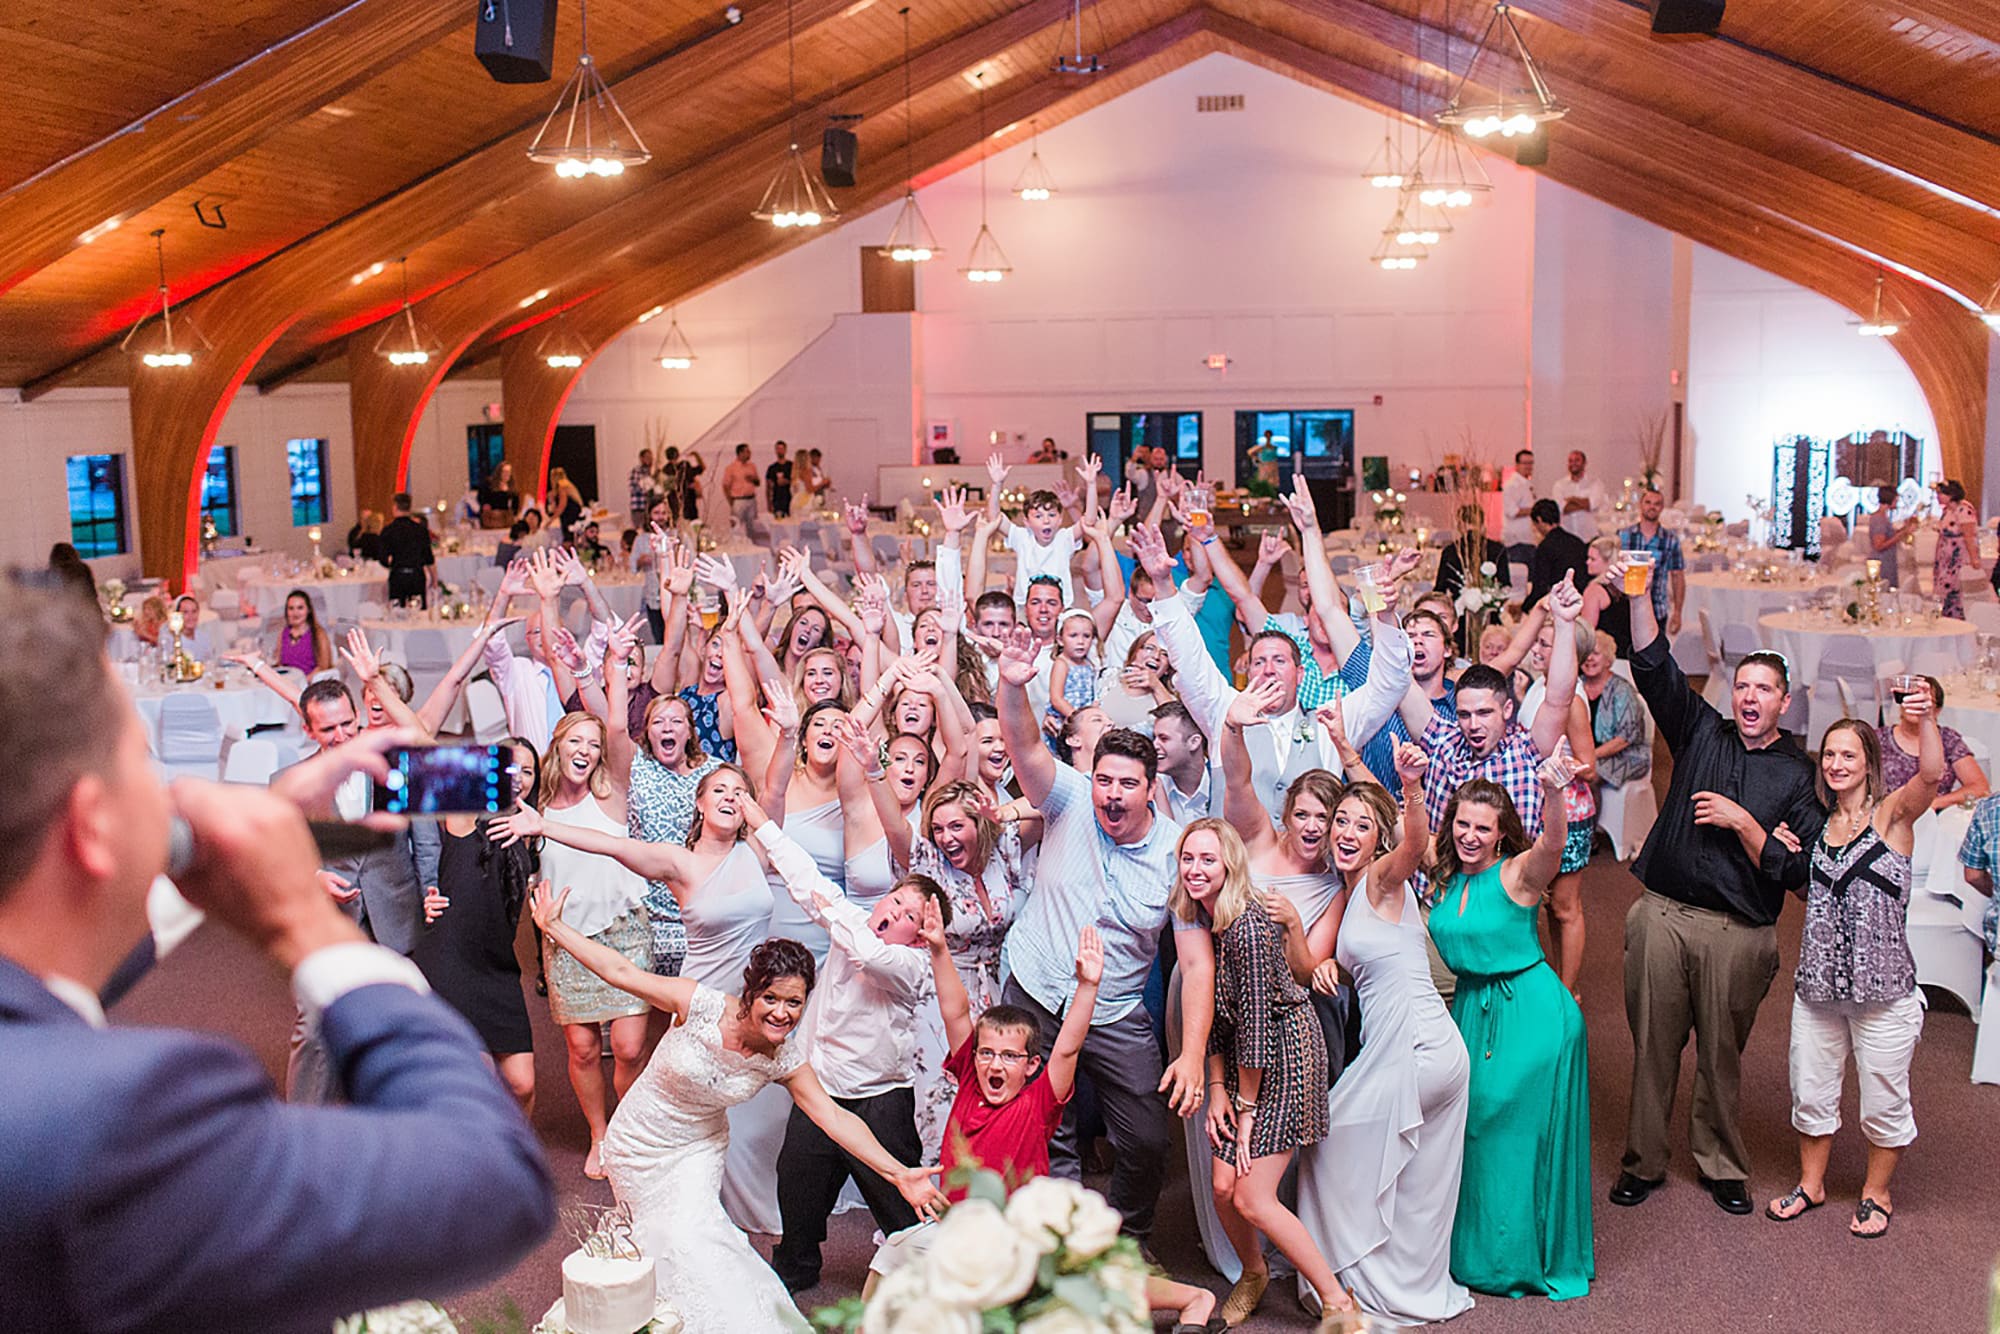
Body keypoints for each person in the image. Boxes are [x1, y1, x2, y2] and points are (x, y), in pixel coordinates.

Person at [0, 579, 555, 1331]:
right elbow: (497, 1184)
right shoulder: (124, 1115)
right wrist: (304, 922)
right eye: (143, 765)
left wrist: (186, 859)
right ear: (93, 826)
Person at [521, 901, 944, 1334]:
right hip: (639, 1141)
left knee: (694, 1235)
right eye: (771, 999)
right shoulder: (700, 1004)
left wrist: (898, 1173)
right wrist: (554, 928)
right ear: (751, 994)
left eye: (794, 1003)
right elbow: (622, 973)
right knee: (657, 1238)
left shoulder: (784, 1059)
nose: (782, 1013)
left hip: (698, 1149)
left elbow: (835, 1118)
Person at [1607, 552, 1824, 1216]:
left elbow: (1801, 873)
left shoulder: (1798, 775)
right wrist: (1637, 592)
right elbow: (1653, 666)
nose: (1750, 698)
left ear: (1785, 702)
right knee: (1652, 1048)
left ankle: (1722, 1165)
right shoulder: (1702, 733)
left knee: (1722, 1056)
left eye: (1764, 690)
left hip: (1741, 934)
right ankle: (1643, 1161)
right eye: (1743, 687)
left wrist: (1748, 827)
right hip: (1664, 917)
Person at [993, 624, 1198, 1242]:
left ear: (1149, 788)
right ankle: (1053, 1250)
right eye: (1104, 780)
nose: (1111, 794)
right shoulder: (1069, 800)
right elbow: (1026, 747)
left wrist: (1190, 1050)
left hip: (1113, 1009)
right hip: (1035, 986)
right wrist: (1012, 687)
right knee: (1040, 1129)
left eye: (1127, 784)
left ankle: (1127, 1245)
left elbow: (1195, 959)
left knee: (1146, 1136)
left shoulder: (1174, 854)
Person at [1296, 748, 1473, 1324]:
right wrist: (1318, 957)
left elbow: (1416, 844)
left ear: (1378, 840)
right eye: (1339, 821)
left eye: (1361, 825)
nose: (1346, 832)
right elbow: (1322, 964)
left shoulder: (1382, 878)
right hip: (1409, 1048)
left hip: (1419, 1048)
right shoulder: (1349, 896)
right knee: (1413, 1181)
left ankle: (1355, 1283)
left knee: (1330, 1139)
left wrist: (1413, 786)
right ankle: (1393, 1283)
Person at [743, 799, 941, 1293]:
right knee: (797, 1184)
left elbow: (868, 951)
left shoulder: (911, 965)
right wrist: (762, 823)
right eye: (893, 902)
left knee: (902, 1203)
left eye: (907, 916)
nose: (892, 914)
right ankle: (795, 1268)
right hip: (821, 1088)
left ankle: (925, 1284)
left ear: (919, 937)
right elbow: (803, 877)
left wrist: (831, 910)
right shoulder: (853, 919)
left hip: (879, 1098)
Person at [1763, 703, 1939, 1238]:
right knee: (1810, 1090)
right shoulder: (1819, 826)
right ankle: (1811, 1185)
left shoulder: (1891, 816)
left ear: (1869, 763)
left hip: (1883, 990)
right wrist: (1781, 847)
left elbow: (1931, 774)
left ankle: (1875, 1193)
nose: (1837, 764)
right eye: (1830, 755)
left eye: (1849, 755)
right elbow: (1808, 893)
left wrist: (1926, 718)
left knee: (1884, 1094)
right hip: (1818, 986)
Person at [1171, 818, 1352, 1323]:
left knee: (1252, 1197)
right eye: (1188, 858)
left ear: (1229, 864)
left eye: (1208, 859)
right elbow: (1211, 1014)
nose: (1195, 869)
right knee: (1223, 1188)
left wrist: (1244, 1109)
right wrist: (1215, 1089)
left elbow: (1252, 1027)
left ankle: (1339, 1303)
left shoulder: (1247, 927)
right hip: (1245, 1063)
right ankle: (1255, 1272)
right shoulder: (1202, 920)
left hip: (1287, 1056)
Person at [1428, 750, 1594, 1300]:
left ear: (1501, 836)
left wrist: (1552, 793)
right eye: (1462, 824)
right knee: (1472, 1130)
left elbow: (1552, 844)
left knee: (1509, 1132)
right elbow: (1401, 835)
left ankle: (1515, 1261)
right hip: (1474, 1012)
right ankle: (1477, 1254)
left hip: (1531, 1016)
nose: (1470, 836)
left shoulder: (1516, 873)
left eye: (1482, 828)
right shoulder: (1447, 873)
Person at [284, 679, 426, 1104]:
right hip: (326, 924)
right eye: (329, 729)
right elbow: (279, 852)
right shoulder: (292, 781)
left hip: (393, 908)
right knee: (312, 1028)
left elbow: (424, 837)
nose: (342, 735)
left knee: (395, 1020)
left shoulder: (393, 767)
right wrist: (313, 878)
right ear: (309, 730)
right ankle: (303, 1124)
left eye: (348, 723)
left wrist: (432, 885)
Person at [411, 738, 541, 1111]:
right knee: (475, 1082)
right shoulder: (466, 816)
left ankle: (512, 1159)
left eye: (527, 770)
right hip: (452, 959)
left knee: (522, 1083)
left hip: (499, 966)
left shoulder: (528, 825)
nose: (518, 777)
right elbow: (426, 744)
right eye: (508, 766)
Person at [1875, 676, 1989, 811]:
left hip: (1936, 819)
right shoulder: (1878, 738)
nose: (1916, 705)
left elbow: (1979, 787)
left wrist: (1934, 804)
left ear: (1937, 710)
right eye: (1912, 698)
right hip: (1886, 817)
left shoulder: (1947, 739)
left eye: (1923, 701)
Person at [986, 452, 1085, 606]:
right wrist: (997, 484)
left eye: (1051, 515)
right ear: (1026, 521)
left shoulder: (1063, 538)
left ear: (1059, 519)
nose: (1046, 521)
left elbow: (1087, 524)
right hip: (1025, 605)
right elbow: (994, 518)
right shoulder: (1022, 537)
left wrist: (1073, 505)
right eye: (1038, 516)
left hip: (1060, 605)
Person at [1583, 629, 1650, 792]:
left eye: (1596, 653)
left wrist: (1589, 756)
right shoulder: (1576, 686)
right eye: (1586, 653)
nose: (1589, 658)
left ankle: (1586, 818)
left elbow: (1624, 739)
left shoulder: (1622, 691)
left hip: (1625, 755)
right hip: (1585, 754)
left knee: (1587, 777)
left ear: (1608, 660)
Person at [1618, 488, 1686, 639]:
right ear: (1640, 505)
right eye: (1648, 502)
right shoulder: (1624, 536)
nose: (1652, 507)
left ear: (1662, 508)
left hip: (1657, 609)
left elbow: (1677, 576)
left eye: (1657, 504)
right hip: (1625, 609)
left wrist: (1678, 612)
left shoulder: (1670, 540)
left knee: (1653, 660)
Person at [1523, 499, 1590, 613]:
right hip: (1581, 601)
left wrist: (1524, 607)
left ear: (1539, 520)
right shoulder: (1577, 541)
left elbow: (1540, 587)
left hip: (1560, 604)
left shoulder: (1545, 547)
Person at [1931, 479, 1983, 620]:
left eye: (1941, 494)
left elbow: (1969, 536)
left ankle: (1954, 619)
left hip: (1957, 558)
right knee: (1942, 590)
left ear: (1951, 494)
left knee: (1953, 590)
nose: (1938, 497)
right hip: (1944, 559)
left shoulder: (1964, 509)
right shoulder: (1947, 511)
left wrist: (1974, 559)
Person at [379, 492, 435, 608]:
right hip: (417, 576)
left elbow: (382, 558)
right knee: (418, 611)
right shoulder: (420, 530)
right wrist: (434, 579)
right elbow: (428, 558)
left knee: (398, 613)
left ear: (395, 507)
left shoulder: (388, 530)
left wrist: (392, 561)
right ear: (409, 508)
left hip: (398, 576)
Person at [1865, 485, 1916, 589]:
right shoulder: (1879, 519)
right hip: (1882, 562)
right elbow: (1879, 545)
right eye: (1896, 500)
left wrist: (1904, 528)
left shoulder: (1882, 516)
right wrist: (1903, 533)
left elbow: (1889, 536)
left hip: (1888, 560)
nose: (1897, 503)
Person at [272, 589, 333, 674]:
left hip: (309, 683)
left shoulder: (318, 634)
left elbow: (324, 666)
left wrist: (304, 681)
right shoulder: (284, 633)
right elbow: (279, 663)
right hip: (285, 681)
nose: (295, 613)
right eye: (291, 608)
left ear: (308, 610)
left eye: (300, 608)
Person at [1551, 450, 1608, 542]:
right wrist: (1583, 504)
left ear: (1585, 463)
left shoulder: (1595, 483)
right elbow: (1562, 508)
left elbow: (1591, 504)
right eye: (1570, 461)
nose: (1573, 463)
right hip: (1567, 537)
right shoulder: (1559, 485)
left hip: (1589, 537)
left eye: (1577, 460)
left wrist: (1572, 499)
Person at [1501, 448, 1536, 568]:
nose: (1528, 466)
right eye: (1525, 463)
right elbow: (1512, 511)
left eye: (1531, 463)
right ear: (1517, 465)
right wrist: (1536, 510)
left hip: (1528, 539)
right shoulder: (1512, 485)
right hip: (1516, 541)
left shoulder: (1527, 484)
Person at [724, 443, 760, 532]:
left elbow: (758, 483)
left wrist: (753, 479)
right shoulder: (731, 468)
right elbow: (725, 485)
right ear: (740, 453)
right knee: (736, 527)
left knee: (752, 527)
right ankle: (736, 544)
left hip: (751, 500)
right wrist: (731, 502)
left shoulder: (752, 466)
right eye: (747, 452)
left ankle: (752, 544)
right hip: (738, 500)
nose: (749, 454)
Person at [547, 466, 587, 540]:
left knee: (568, 538)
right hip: (572, 514)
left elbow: (562, 506)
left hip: (569, 516)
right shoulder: (568, 486)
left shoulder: (562, 487)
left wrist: (551, 520)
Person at [479, 461, 520, 528]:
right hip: (492, 517)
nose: (506, 474)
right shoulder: (490, 485)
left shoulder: (513, 489)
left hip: (505, 519)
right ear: (499, 472)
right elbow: (483, 499)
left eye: (509, 472)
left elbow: (515, 507)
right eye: (504, 471)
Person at [766, 440, 794, 519]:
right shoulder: (772, 468)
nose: (780, 451)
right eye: (778, 449)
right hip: (777, 499)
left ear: (785, 450)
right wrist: (769, 504)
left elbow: (796, 481)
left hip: (789, 498)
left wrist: (787, 481)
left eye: (782, 449)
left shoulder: (791, 466)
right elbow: (768, 487)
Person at [629, 446, 659, 522]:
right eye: (647, 457)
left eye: (651, 457)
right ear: (641, 458)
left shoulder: (653, 472)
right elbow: (633, 489)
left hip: (650, 508)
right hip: (639, 507)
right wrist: (647, 488)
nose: (650, 459)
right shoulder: (637, 471)